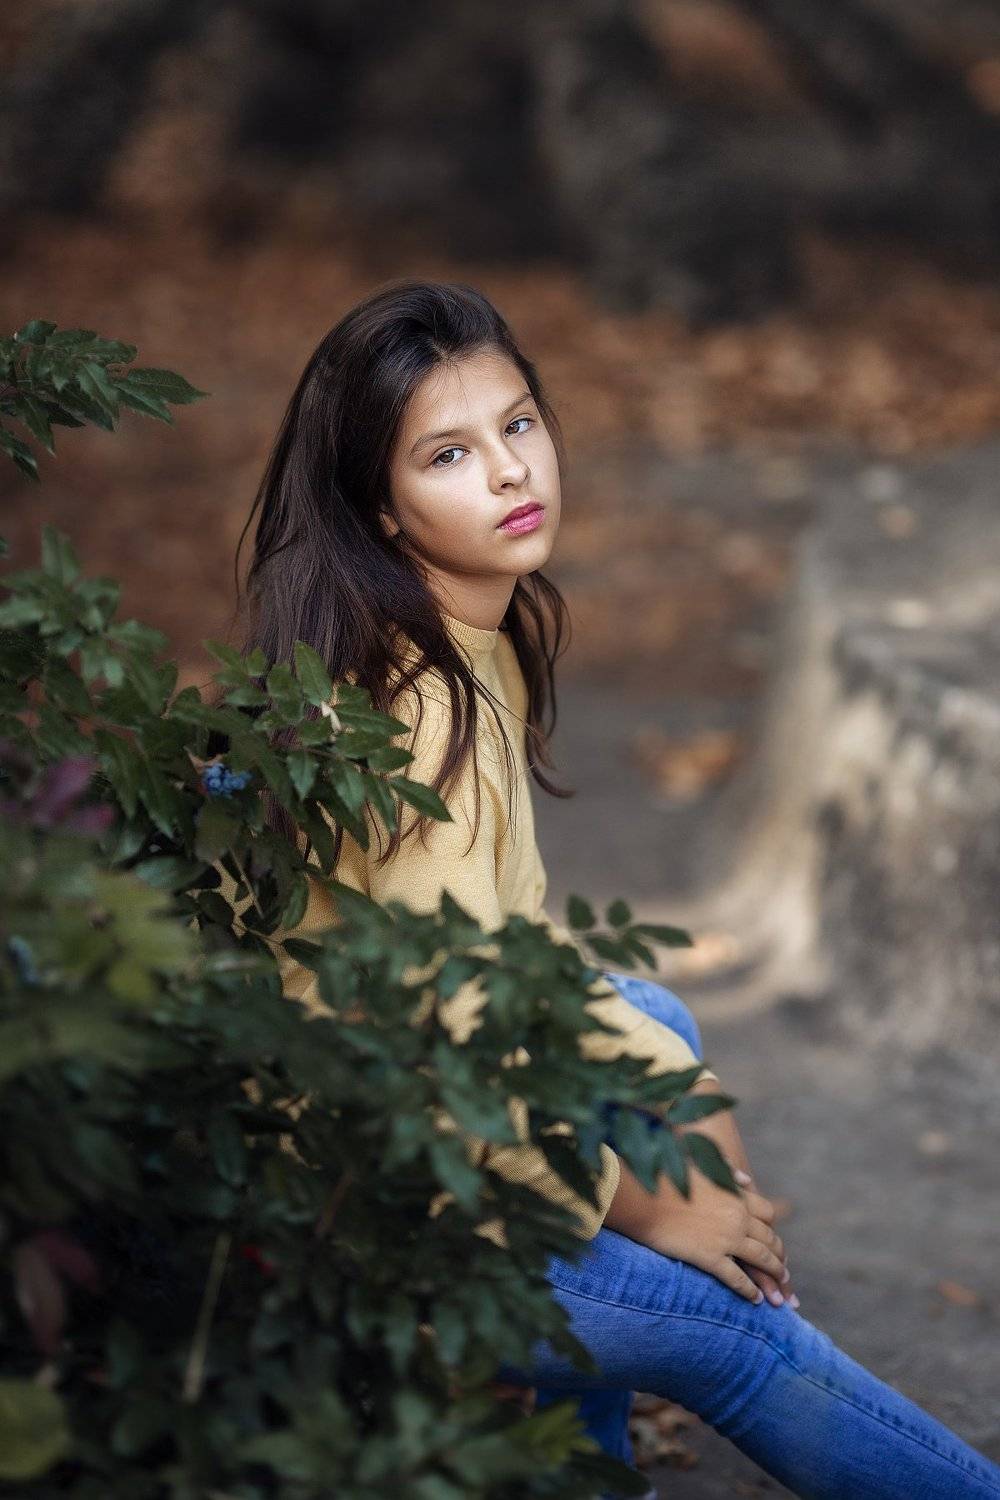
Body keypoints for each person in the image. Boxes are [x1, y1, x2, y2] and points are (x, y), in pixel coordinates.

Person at [226, 278, 1000, 1499]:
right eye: (447, 454)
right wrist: (650, 1209)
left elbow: (513, 961)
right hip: (363, 1206)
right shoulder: (422, 713)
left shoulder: (457, 643)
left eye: (517, 424)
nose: (508, 471)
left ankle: (581, 1468)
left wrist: (679, 1093)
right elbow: (451, 1043)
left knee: (658, 1019)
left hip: (380, 1122)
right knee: (740, 1338)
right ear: (380, 505)